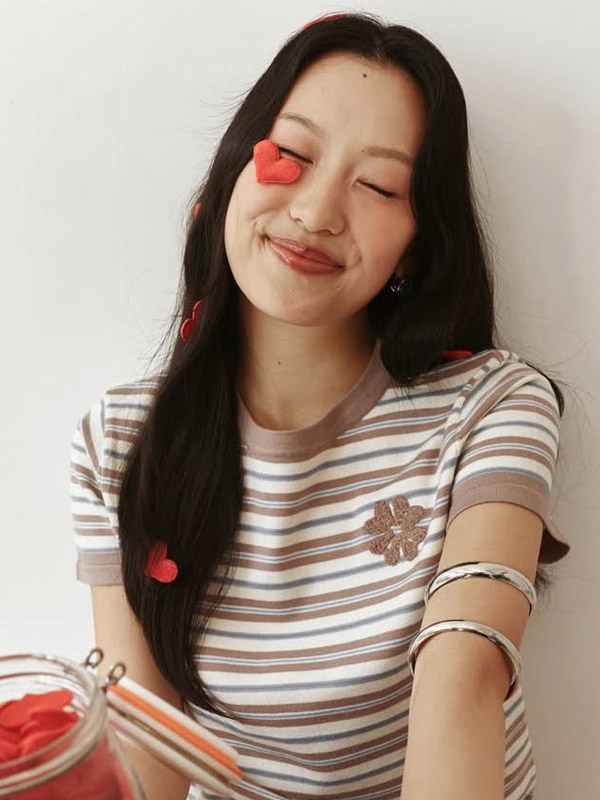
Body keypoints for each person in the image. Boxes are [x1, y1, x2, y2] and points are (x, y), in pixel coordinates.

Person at [69, 12, 571, 800]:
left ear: (416, 246)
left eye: (378, 186)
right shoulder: (120, 442)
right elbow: (148, 744)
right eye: (294, 155)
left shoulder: (493, 407)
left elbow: (465, 668)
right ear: (232, 174)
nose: (315, 211)